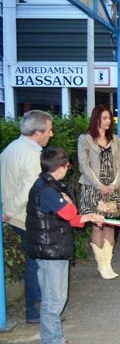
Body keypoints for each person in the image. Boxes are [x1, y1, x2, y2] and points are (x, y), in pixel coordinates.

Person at [26, 147, 104, 344]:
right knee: (53, 300)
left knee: (58, 298)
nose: (68, 169)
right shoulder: (47, 190)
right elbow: (70, 212)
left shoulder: (49, 186)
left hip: (55, 249)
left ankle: (56, 340)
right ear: (60, 168)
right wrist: (70, 203)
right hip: (50, 251)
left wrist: (88, 217)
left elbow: (67, 218)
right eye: (68, 166)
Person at [1, 110, 53, 323]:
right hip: (24, 217)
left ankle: (37, 308)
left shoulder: (11, 148)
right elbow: (28, 191)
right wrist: (8, 211)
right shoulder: (32, 155)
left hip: (17, 216)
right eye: (49, 130)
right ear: (37, 132)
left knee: (35, 263)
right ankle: (34, 311)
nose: (51, 134)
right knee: (36, 265)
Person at [77, 105, 120, 280]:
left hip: (112, 189)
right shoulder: (85, 139)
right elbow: (84, 166)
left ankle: (107, 264)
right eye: (104, 118)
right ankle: (101, 265)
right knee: (98, 226)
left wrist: (114, 184)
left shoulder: (115, 139)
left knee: (110, 226)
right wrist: (100, 186)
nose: (108, 121)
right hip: (93, 189)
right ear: (96, 118)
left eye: (109, 118)